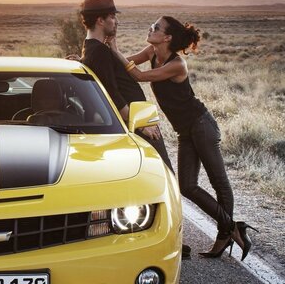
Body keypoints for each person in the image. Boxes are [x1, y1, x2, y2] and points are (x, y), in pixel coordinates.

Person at [108, 15, 257, 260]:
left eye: (156, 27)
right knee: (187, 186)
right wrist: (90, 60)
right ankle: (233, 228)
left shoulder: (177, 64)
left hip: (201, 125)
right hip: (185, 131)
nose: (151, 28)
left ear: (167, 37)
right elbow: (127, 63)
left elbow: (140, 76)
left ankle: (224, 234)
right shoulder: (153, 51)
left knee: (219, 181)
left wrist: (114, 48)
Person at [67, 0, 175, 174]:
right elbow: (112, 93)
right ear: (101, 20)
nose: (116, 21)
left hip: (133, 121)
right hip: (136, 123)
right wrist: (140, 124)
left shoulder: (92, 48)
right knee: (165, 175)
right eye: (112, 17)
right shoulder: (99, 51)